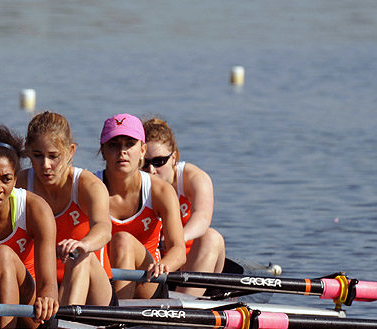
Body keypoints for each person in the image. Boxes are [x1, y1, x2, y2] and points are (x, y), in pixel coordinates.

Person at [0, 124, 59, 329]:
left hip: (31, 310)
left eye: (6, 179)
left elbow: (48, 283)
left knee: (3, 254)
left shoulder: (35, 209)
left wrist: (48, 299)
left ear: (16, 179)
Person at [18, 111, 113, 307]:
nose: (46, 165)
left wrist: (83, 244)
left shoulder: (88, 185)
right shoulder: (19, 184)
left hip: (94, 291)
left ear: (71, 151)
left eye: (54, 156)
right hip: (42, 290)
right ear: (27, 150)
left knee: (80, 257)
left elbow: (104, 229)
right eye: (37, 156)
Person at [97, 113, 186, 300]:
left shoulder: (160, 190)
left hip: (147, 280)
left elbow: (178, 250)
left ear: (143, 150)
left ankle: (119, 317)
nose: (122, 151)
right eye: (114, 145)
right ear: (103, 150)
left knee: (123, 240)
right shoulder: (89, 187)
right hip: (102, 278)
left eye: (129, 144)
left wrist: (165, 265)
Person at [142, 117, 226, 297]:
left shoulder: (194, 178)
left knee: (212, 237)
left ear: (174, 157)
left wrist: (175, 240)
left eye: (158, 162)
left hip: (193, 266)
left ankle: (185, 304)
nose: (150, 170)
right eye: (144, 163)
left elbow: (202, 219)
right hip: (153, 268)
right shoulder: (133, 182)